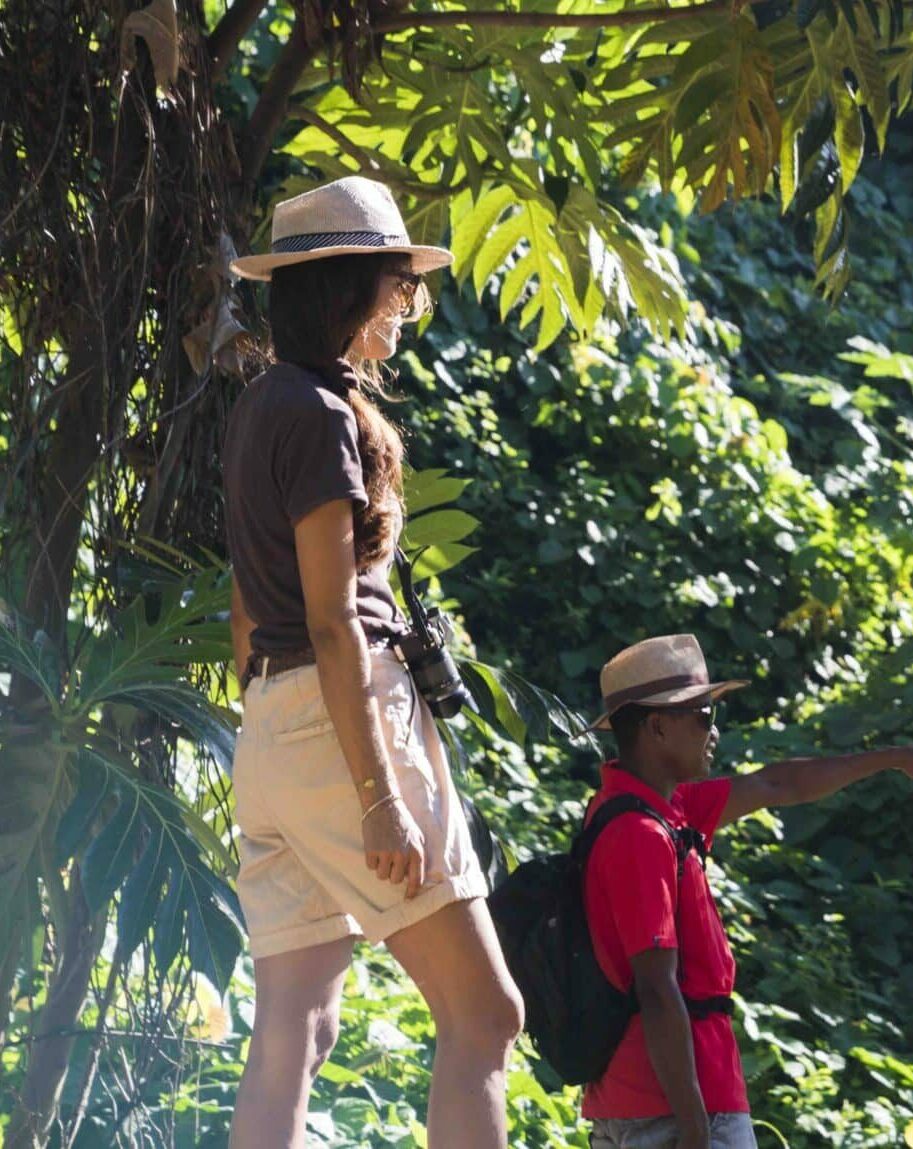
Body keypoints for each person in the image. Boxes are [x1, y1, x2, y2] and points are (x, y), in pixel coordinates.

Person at [223, 176, 525, 1148]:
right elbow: (332, 621)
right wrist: (379, 794)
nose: (406, 306)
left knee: (294, 1036)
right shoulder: (318, 415)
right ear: (346, 293)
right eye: (396, 286)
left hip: (273, 731)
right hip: (341, 723)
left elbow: (247, 604)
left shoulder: (263, 406)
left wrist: (276, 732)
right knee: (485, 1018)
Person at [578, 634, 913, 1149]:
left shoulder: (661, 810)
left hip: (652, 1101)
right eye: (703, 715)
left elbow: (777, 785)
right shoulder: (641, 833)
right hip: (674, 1108)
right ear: (657, 726)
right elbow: (657, 988)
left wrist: (899, 758)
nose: (714, 730)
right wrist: (696, 1126)